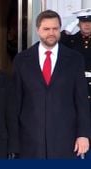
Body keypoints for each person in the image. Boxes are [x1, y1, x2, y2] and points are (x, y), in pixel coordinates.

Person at [12, 10, 91, 158]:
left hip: (65, 139)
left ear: (60, 29)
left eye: (55, 28)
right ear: (37, 30)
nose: (51, 33)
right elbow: (16, 102)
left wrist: (83, 134)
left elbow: (81, 100)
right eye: (46, 29)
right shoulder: (21, 60)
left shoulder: (75, 59)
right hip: (30, 139)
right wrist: (14, 140)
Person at [60, 8, 91, 159]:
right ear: (79, 24)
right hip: (77, 87)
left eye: (89, 22)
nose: (87, 25)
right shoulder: (71, 40)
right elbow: (60, 41)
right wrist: (70, 26)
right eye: (83, 22)